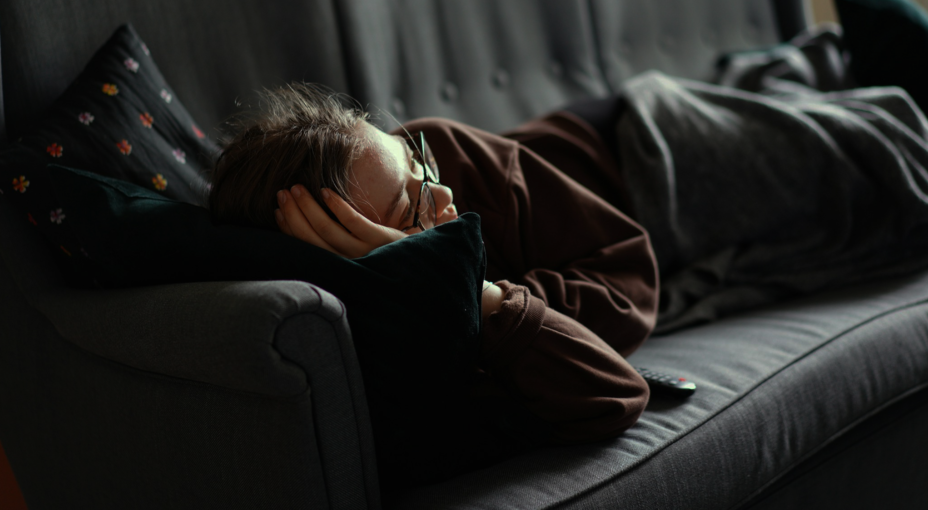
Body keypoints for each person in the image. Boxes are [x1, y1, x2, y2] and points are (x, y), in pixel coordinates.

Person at [208, 84, 659, 449]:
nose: (441, 194)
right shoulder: (399, 329)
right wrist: (464, 287)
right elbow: (614, 393)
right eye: (410, 208)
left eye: (415, 161)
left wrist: (492, 298)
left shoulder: (447, 151)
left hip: (639, 138)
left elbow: (631, 281)